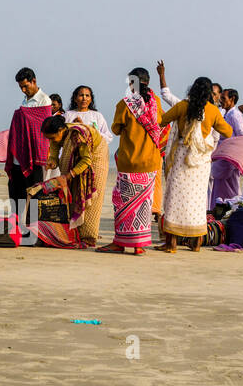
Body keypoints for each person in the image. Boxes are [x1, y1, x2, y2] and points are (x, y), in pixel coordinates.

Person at [156, 77, 232, 252]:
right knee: (197, 201)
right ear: (208, 93)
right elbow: (228, 131)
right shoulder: (213, 111)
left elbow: (162, 121)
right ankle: (195, 243)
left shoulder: (183, 106)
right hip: (201, 162)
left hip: (182, 158)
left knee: (174, 199)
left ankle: (171, 243)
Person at [98, 67, 165, 254]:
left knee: (122, 203)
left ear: (131, 83)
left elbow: (117, 129)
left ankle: (120, 243)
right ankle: (138, 246)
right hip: (151, 161)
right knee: (143, 205)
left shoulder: (124, 104)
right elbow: (161, 122)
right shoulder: (155, 102)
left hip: (130, 161)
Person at [28, 113, 103, 248]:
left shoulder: (77, 135)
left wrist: (69, 175)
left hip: (96, 156)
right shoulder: (59, 135)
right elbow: (55, 149)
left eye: (53, 137)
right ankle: (76, 232)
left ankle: (89, 236)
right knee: (73, 193)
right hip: (82, 158)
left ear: (61, 130)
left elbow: (86, 160)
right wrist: (53, 160)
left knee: (89, 198)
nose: (53, 140)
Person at [6, 67, 55, 218]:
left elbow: (42, 128)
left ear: (34, 81)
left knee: (34, 193)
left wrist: (21, 116)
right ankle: (17, 224)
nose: (23, 90)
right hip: (19, 156)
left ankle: (32, 227)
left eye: (25, 86)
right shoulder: (25, 100)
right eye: (21, 87)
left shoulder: (44, 100)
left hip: (34, 156)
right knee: (15, 190)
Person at [64, 85, 110, 241]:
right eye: (81, 95)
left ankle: (89, 233)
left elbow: (107, 136)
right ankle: (72, 232)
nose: (84, 98)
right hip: (72, 160)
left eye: (87, 95)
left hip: (94, 159)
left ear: (91, 99)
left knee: (93, 197)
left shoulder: (97, 116)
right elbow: (62, 135)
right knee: (72, 193)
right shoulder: (68, 115)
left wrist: (88, 130)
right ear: (75, 98)